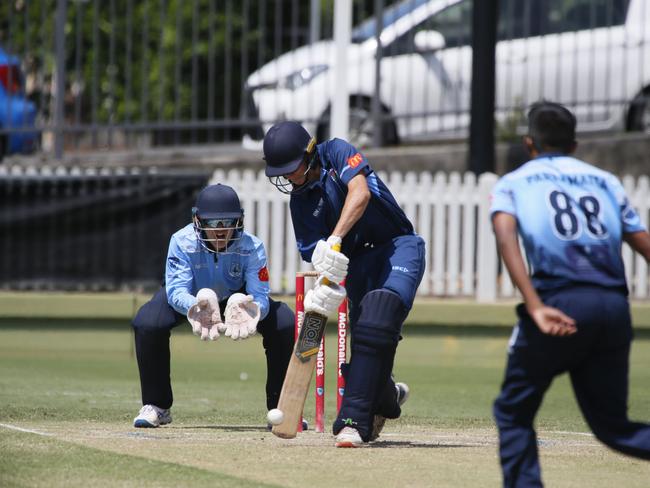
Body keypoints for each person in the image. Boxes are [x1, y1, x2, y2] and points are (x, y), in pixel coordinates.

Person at [490, 101, 650, 486]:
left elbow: (505, 236)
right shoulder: (606, 181)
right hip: (613, 307)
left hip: (558, 301)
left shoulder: (515, 181)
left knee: (513, 413)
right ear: (575, 145)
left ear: (529, 143)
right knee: (613, 427)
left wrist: (535, 305)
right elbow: (643, 243)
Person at [262, 121, 426, 447]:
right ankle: (387, 397)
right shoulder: (300, 203)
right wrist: (326, 278)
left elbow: (360, 192)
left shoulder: (336, 152)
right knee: (369, 336)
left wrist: (335, 238)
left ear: (309, 154)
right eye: (282, 174)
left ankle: (352, 422)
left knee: (378, 319)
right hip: (357, 266)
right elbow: (317, 253)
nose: (290, 178)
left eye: (292, 169)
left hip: (397, 245)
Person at [131, 183, 301, 429]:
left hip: (238, 299)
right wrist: (195, 304)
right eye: (213, 223)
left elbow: (260, 295)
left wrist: (251, 309)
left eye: (228, 222)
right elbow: (176, 290)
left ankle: (283, 408)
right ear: (197, 220)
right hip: (194, 298)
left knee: (285, 322)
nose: (221, 231)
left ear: (239, 220)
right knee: (147, 322)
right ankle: (157, 406)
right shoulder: (181, 241)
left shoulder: (252, 246)